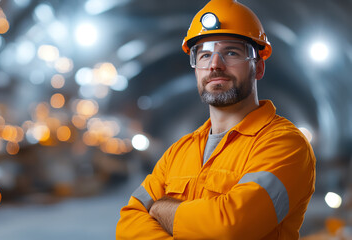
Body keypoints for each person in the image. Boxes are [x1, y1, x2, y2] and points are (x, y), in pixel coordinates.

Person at [116, 0, 316, 239]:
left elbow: (229, 228)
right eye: (204, 55)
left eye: (231, 52)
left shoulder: (285, 145)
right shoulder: (178, 153)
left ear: (259, 67)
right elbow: (128, 224)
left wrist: (160, 208)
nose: (215, 65)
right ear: (196, 69)